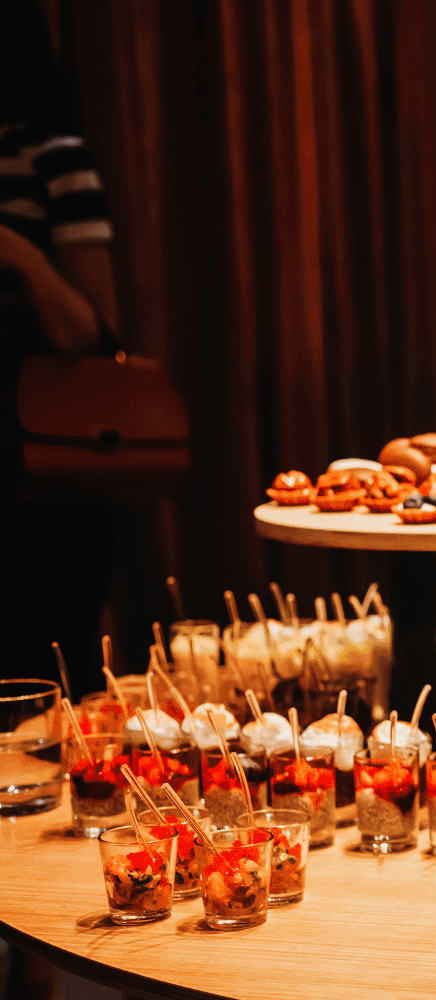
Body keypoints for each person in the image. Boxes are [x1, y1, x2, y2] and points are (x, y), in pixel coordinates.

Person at [2, 0, 120, 686]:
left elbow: (96, 332)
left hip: (38, 478)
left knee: (41, 681)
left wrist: (20, 256)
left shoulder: (50, 156)